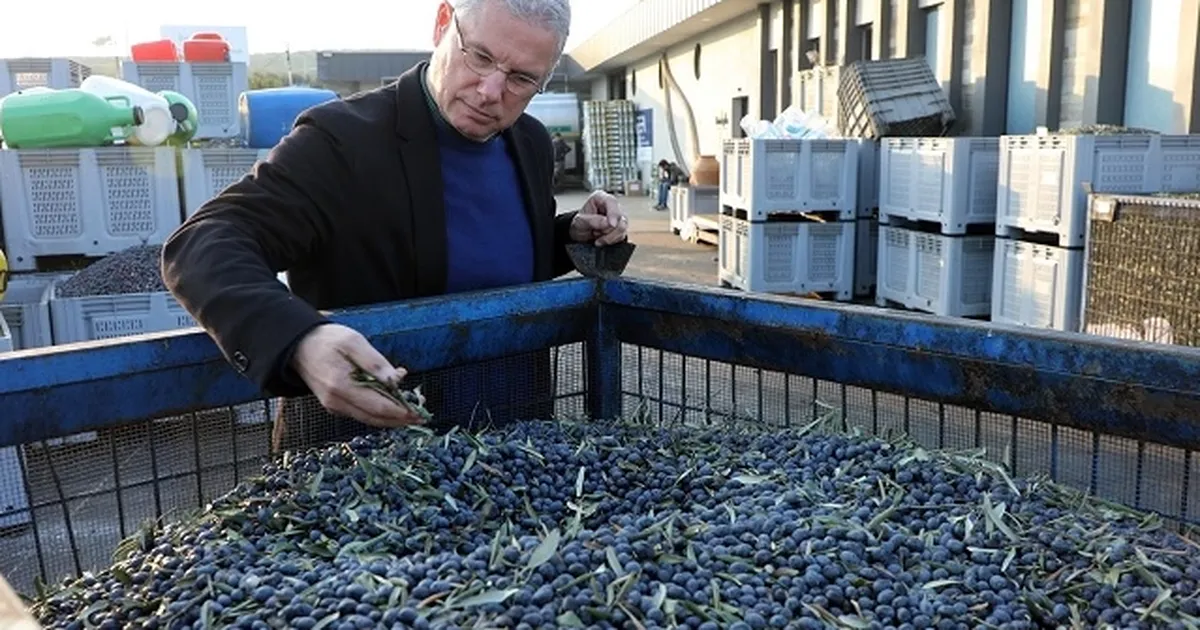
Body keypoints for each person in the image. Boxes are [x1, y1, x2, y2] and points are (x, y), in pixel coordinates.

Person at [160, 0, 629, 435]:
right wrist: (301, 338)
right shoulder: (341, 140)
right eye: (479, 57)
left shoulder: (530, 142)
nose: (491, 91)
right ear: (443, 23)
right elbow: (204, 241)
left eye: (522, 79)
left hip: (509, 441)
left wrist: (568, 233)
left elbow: (490, 257)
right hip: (369, 461)